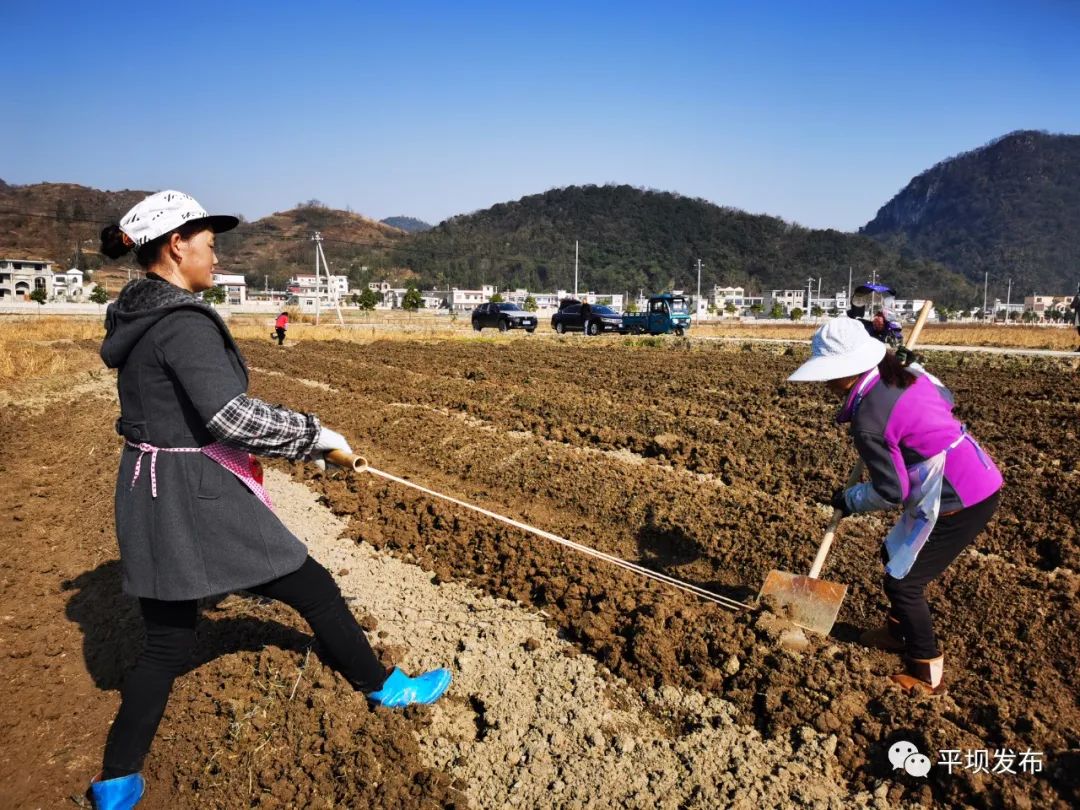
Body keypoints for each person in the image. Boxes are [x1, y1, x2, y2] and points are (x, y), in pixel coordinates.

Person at [90, 191, 451, 810]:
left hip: (147, 485)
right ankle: (383, 685)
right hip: (194, 491)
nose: (214, 251)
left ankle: (116, 781)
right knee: (312, 587)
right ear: (177, 245)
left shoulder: (137, 318)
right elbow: (231, 417)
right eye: (209, 240)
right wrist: (320, 439)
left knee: (167, 642)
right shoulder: (181, 322)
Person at [787, 317, 1003, 696]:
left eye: (828, 375)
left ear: (846, 373)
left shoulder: (869, 419)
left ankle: (925, 670)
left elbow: (892, 491)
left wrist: (850, 500)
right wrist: (913, 364)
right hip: (970, 474)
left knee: (904, 582)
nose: (824, 383)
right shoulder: (904, 374)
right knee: (892, 552)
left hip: (959, 497)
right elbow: (946, 398)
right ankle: (897, 630)